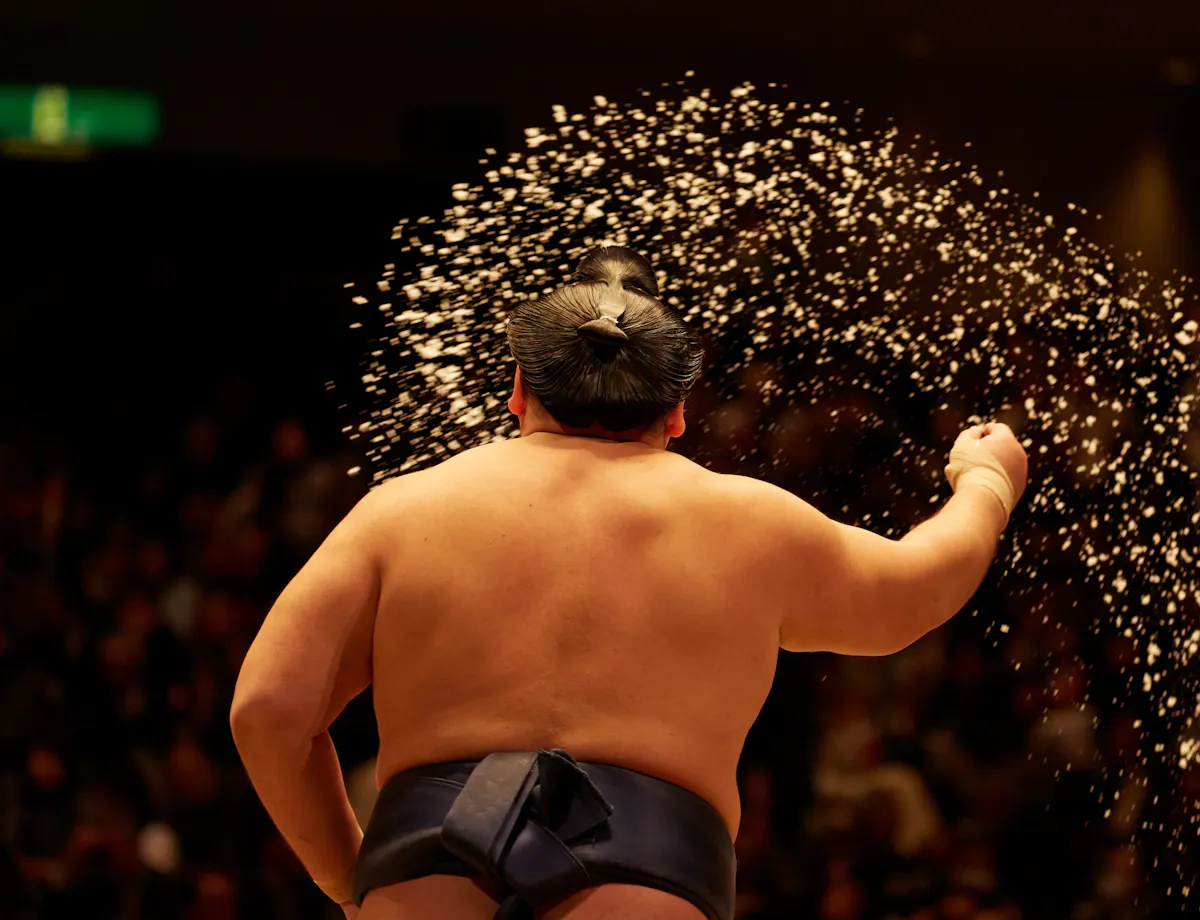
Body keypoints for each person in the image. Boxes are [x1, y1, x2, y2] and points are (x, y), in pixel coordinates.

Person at [230, 246, 1028, 920]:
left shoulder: (402, 510)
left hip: (422, 885)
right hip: (649, 886)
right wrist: (986, 481)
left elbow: (268, 710)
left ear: (518, 390)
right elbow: (915, 591)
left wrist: (347, 874)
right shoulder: (748, 523)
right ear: (676, 413)